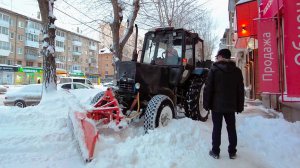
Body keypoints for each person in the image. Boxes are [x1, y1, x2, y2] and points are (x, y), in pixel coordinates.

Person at [203, 48, 244, 159]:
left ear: (221, 56)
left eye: (217, 56)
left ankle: (215, 152)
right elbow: (240, 90)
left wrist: (206, 104)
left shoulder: (214, 70)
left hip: (217, 106)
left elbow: (208, 89)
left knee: (217, 128)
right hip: (231, 106)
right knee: (231, 128)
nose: (217, 58)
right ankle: (232, 152)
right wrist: (240, 106)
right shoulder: (237, 71)